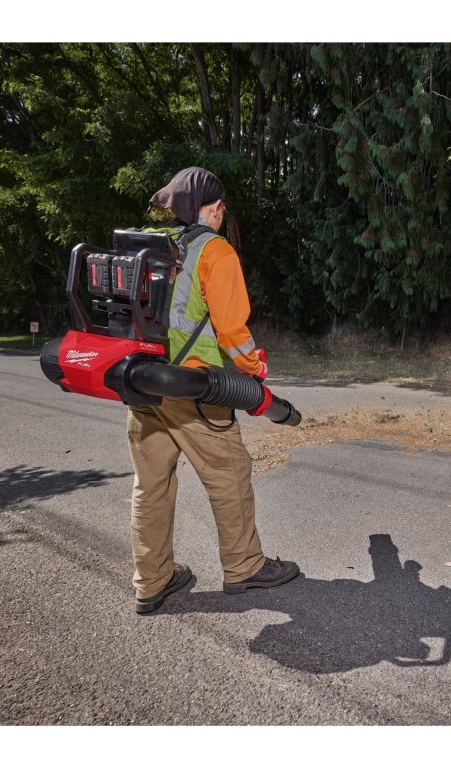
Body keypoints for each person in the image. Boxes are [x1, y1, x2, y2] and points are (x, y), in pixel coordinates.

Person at [126, 166, 299, 614]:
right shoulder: (214, 251)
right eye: (221, 207)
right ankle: (244, 566)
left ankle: (152, 580)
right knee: (230, 473)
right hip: (194, 387)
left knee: (151, 485)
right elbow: (232, 330)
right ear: (215, 208)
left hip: (142, 382)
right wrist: (253, 368)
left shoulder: (154, 247)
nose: (222, 214)